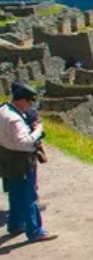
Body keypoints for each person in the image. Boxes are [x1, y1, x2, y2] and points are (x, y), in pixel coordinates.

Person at [0, 80, 53, 242]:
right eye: (29, 101)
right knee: (29, 195)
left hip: (8, 157)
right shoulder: (14, 120)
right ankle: (35, 230)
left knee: (15, 193)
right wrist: (38, 131)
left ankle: (15, 223)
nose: (29, 105)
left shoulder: (3, 110)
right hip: (22, 159)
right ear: (21, 100)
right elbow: (25, 143)